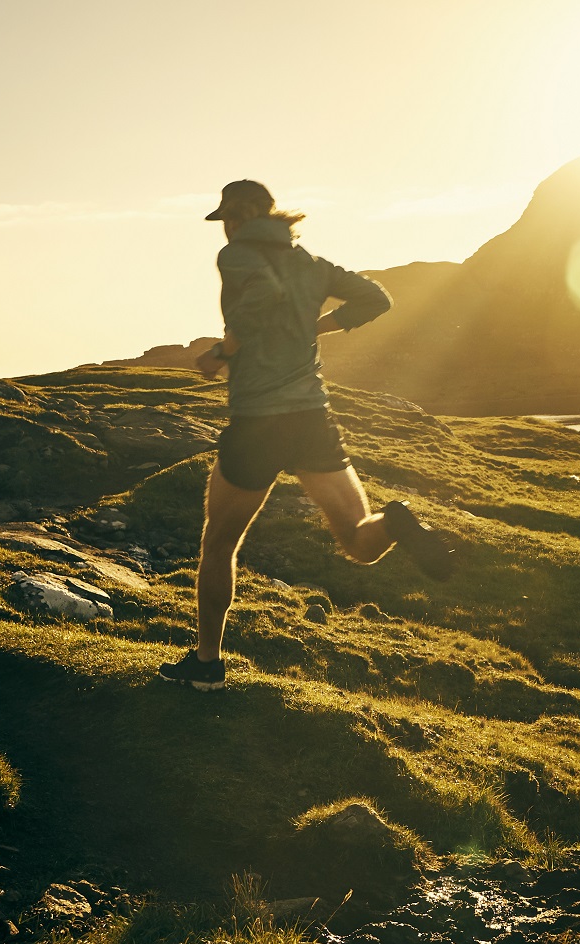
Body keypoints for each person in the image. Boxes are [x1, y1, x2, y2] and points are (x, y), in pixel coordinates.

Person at [158, 179, 454, 691]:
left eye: (226, 218)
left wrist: (223, 353)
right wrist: (314, 328)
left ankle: (206, 664)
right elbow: (375, 298)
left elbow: (262, 298)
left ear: (237, 216)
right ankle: (398, 524)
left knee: (219, 543)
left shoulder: (235, 254)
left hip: (258, 422)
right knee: (360, 540)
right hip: (311, 418)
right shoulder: (311, 263)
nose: (225, 227)